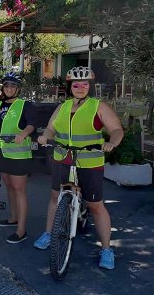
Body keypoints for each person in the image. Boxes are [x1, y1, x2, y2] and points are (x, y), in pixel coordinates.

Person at [33, 66, 124, 270]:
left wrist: (112, 143)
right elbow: (50, 127)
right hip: (63, 158)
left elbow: (117, 129)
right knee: (55, 197)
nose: (80, 87)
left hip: (89, 162)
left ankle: (107, 249)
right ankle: (49, 233)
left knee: (96, 206)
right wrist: (45, 136)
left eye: (84, 84)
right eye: (76, 84)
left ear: (90, 87)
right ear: (70, 86)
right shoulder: (63, 106)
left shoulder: (98, 106)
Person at [0, 71, 35, 244]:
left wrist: (23, 133)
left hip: (19, 155)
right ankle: (12, 218)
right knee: (9, 186)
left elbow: (32, 124)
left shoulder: (25, 105)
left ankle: (21, 230)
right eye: (7, 85)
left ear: (18, 89)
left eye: (13, 85)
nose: (9, 88)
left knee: (19, 190)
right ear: (3, 87)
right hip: (1, 153)